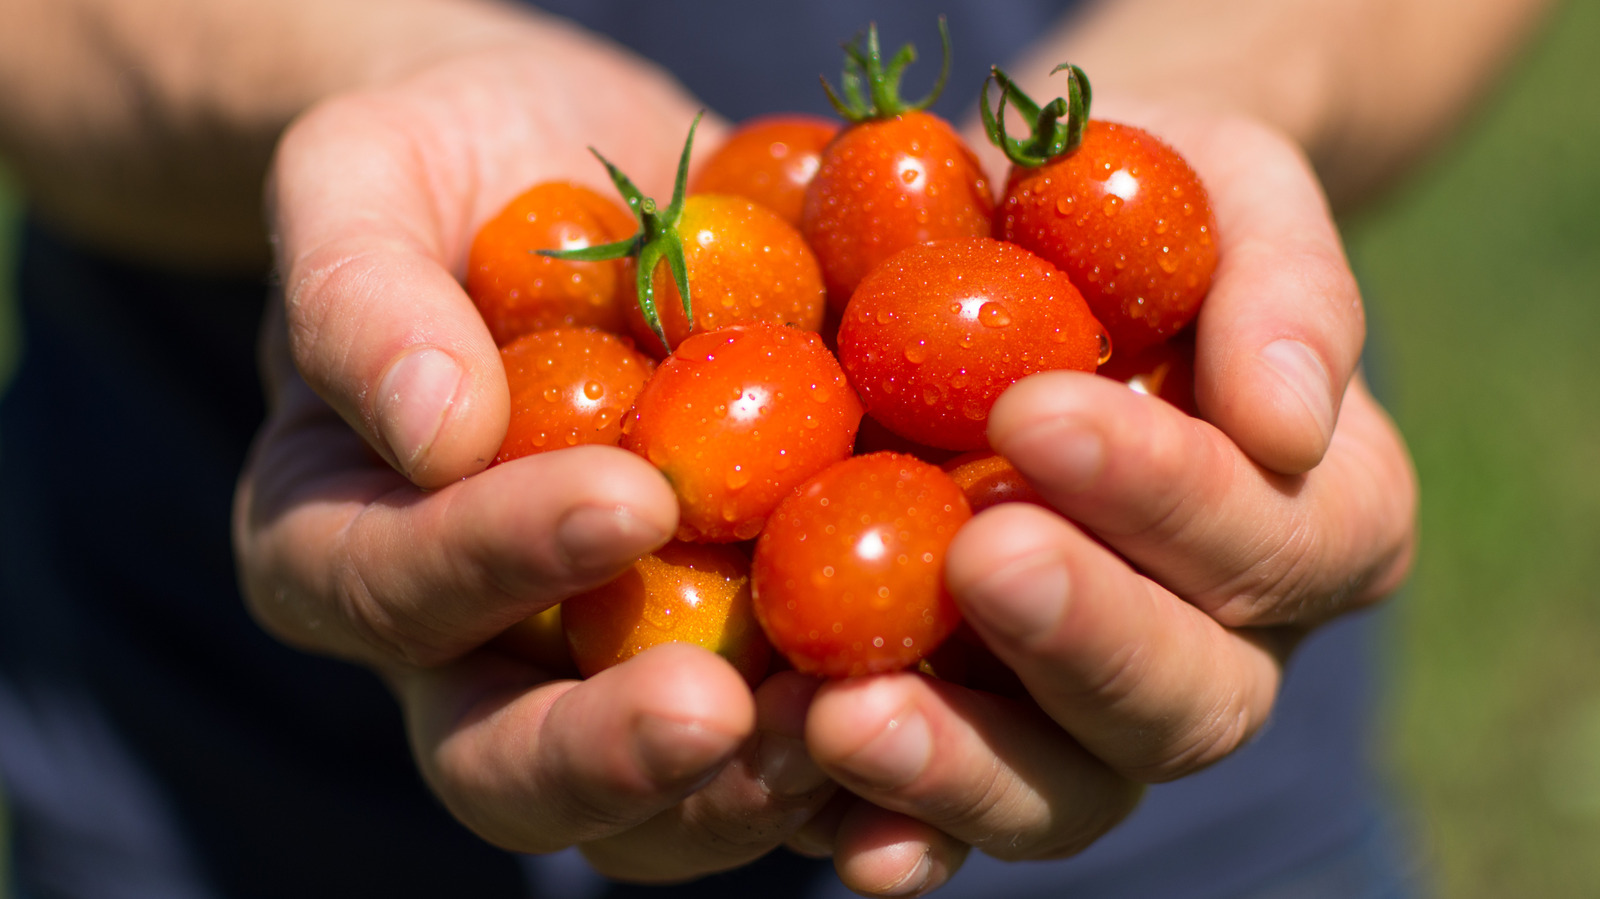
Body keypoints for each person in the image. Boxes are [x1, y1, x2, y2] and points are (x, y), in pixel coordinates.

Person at [0, 0, 1547, 896]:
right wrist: (337, 79)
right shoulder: (692, 313)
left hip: (1147, 767)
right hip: (230, 788)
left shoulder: (971, 301)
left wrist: (1239, 79)